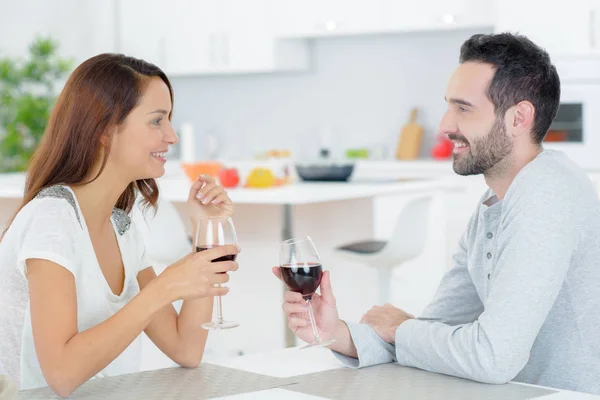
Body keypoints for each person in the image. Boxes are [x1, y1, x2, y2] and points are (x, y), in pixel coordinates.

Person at [275, 32, 600, 395]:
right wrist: (337, 333)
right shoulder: (494, 205)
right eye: (449, 106)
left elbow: (491, 357)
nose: (445, 125)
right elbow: (432, 330)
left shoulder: (548, 194)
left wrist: (401, 328)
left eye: (463, 108)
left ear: (518, 118)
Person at [0, 54, 239, 397]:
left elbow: (185, 348)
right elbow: (62, 374)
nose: (171, 136)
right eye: (156, 121)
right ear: (104, 130)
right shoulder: (51, 219)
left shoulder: (121, 227)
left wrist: (205, 233)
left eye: (169, 120)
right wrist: (164, 288)